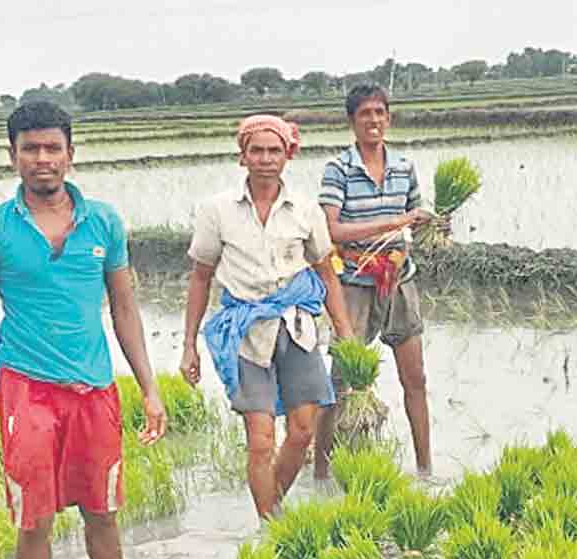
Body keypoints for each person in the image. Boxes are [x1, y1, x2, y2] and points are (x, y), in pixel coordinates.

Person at [0, 101, 167, 559]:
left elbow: (125, 309)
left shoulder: (104, 222)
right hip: (26, 391)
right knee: (34, 521)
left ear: (71, 154)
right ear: (12, 156)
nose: (42, 158)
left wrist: (150, 388)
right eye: (30, 149)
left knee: (103, 514)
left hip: (94, 389)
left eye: (53, 147)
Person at [180, 114, 354, 519]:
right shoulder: (217, 210)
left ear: (287, 155)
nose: (265, 159)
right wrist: (189, 345)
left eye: (274, 150)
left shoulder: (305, 210)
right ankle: (270, 526)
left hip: (297, 329)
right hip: (246, 333)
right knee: (260, 442)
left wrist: (344, 330)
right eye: (256, 150)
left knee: (303, 432)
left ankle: (271, 511)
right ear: (242, 157)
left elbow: (325, 272)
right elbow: (201, 277)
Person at [314, 83, 434, 481]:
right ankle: (321, 474)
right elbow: (331, 229)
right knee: (339, 384)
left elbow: (415, 216)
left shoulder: (404, 167)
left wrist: (433, 224)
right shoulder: (339, 169)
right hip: (353, 285)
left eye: (380, 113)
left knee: (415, 378)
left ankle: (425, 470)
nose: (374, 121)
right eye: (365, 114)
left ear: (389, 118)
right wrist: (394, 222)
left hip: (399, 280)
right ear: (352, 121)